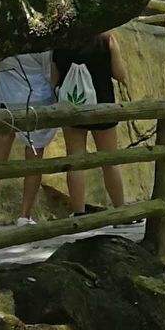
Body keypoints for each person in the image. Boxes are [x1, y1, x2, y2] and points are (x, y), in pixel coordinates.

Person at [0, 51, 59, 225]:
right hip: (37, 100)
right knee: (34, 160)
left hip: (7, 99)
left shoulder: (5, 38)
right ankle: (24, 215)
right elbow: (49, 72)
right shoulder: (42, 41)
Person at [54, 33, 126, 216]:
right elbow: (120, 74)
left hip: (72, 106)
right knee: (110, 160)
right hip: (102, 105)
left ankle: (78, 212)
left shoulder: (61, 39)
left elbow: (53, 78)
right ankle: (120, 211)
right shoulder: (106, 40)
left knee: (75, 159)